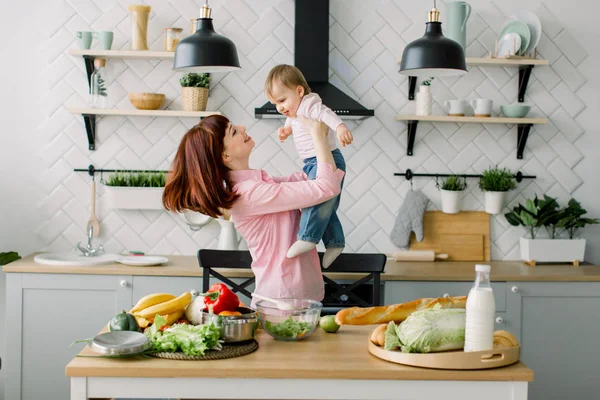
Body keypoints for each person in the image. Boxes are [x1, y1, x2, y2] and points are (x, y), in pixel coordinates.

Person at [162, 114, 344, 304]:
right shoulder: (251, 194)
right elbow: (326, 187)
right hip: (282, 302)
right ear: (225, 156)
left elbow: (318, 181)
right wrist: (317, 134)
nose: (242, 128)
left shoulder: (258, 184)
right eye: (233, 131)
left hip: (295, 297)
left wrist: (316, 134)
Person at [265, 64, 353, 267]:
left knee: (315, 203)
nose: (279, 107)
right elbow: (293, 121)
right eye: (275, 103)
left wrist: (340, 127)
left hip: (326, 159)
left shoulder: (309, 105)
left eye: (282, 100)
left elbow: (326, 114)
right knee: (325, 205)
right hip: (312, 162)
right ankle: (335, 242)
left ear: (299, 91)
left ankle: (307, 237)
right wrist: (286, 130)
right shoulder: (296, 111)